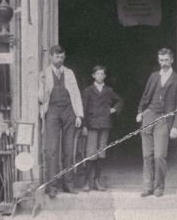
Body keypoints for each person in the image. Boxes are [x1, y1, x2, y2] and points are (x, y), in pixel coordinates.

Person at [135, 48, 177, 197]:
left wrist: (175, 126)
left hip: (164, 119)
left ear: (172, 60)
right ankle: (148, 187)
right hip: (149, 116)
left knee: (159, 155)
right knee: (147, 155)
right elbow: (145, 95)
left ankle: (159, 187)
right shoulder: (154, 76)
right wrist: (140, 112)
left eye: (166, 60)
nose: (164, 63)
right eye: (161, 60)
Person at [38, 45, 84, 198]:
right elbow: (41, 99)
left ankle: (68, 184)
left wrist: (78, 115)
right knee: (52, 150)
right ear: (51, 57)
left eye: (62, 57)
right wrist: (42, 86)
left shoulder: (69, 73)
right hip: (52, 111)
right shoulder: (44, 74)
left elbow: (76, 94)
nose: (60, 60)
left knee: (68, 149)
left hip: (69, 111)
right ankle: (52, 186)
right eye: (57, 57)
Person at [81, 65, 124, 192]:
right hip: (92, 125)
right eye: (97, 74)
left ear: (105, 76)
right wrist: (84, 125)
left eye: (102, 74)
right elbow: (83, 108)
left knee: (101, 153)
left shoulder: (109, 90)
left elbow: (120, 101)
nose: (100, 76)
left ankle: (97, 181)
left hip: (105, 124)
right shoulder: (88, 91)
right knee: (90, 154)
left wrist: (114, 109)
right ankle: (87, 182)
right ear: (93, 75)